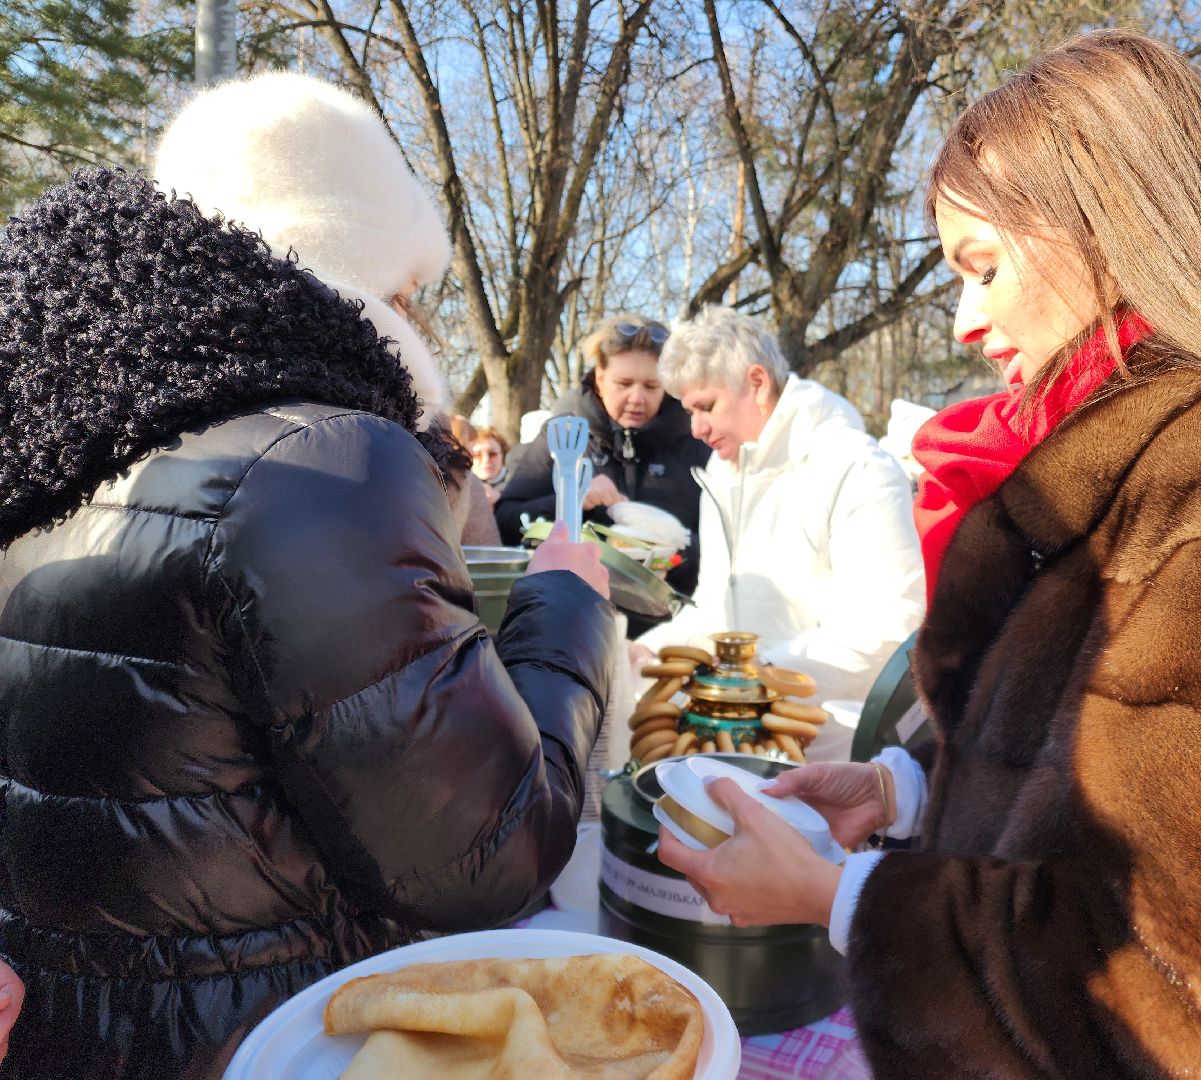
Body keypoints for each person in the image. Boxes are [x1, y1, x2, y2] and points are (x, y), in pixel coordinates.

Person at [658, 29, 1201, 1079]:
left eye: (983, 268)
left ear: (1112, 228)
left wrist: (841, 899)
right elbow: (1102, 740)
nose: (966, 319)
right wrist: (906, 788)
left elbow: (1199, 997)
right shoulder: (1176, 450)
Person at [0, 102, 612, 1080]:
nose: (416, 325)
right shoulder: (320, 458)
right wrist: (567, 602)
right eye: (408, 291)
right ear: (349, 262)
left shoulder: (64, 442)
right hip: (274, 1043)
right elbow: (487, 855)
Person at [636, 305, 924, 757]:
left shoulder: (854, 468)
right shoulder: (722, 473)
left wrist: (749, 676)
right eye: (689, 410)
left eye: (706, 406)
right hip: (735, 736)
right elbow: (716, 610)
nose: (696, 428)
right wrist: (652, 653)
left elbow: (885, 627)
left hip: (826, 748)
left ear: (757, 382)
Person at [496, 314, 711, 601]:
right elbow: (506, 523)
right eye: (623, 383)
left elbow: (724, 539)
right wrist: (572, 499)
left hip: (670, 621)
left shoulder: (695, 443)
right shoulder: (562, 436)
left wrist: (675, 556)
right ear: (599, 378)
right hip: (576, 614)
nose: (637, 398)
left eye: (651, 386)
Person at [470, 423, 511, 504]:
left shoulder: (517, 482)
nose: (486, 460)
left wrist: (500, 498)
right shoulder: (459, 488)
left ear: (503, 455)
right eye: (478, 455)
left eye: (492, 454)